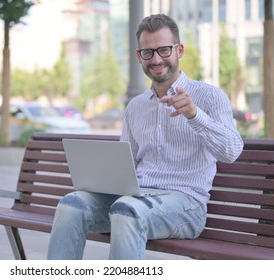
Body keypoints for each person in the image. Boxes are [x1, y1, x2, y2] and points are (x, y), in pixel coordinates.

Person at [47, 13, 244, 260]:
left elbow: (232, 151)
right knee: (71, 205)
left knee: (127, 210)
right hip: (136, 197)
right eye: (148, 52)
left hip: (186, 205)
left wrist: (195, 115)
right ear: (139, 57)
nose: (157, 59)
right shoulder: (136, 106)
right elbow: (125, 163)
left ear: (179, 50)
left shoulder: (209, 97)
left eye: (164, 50)